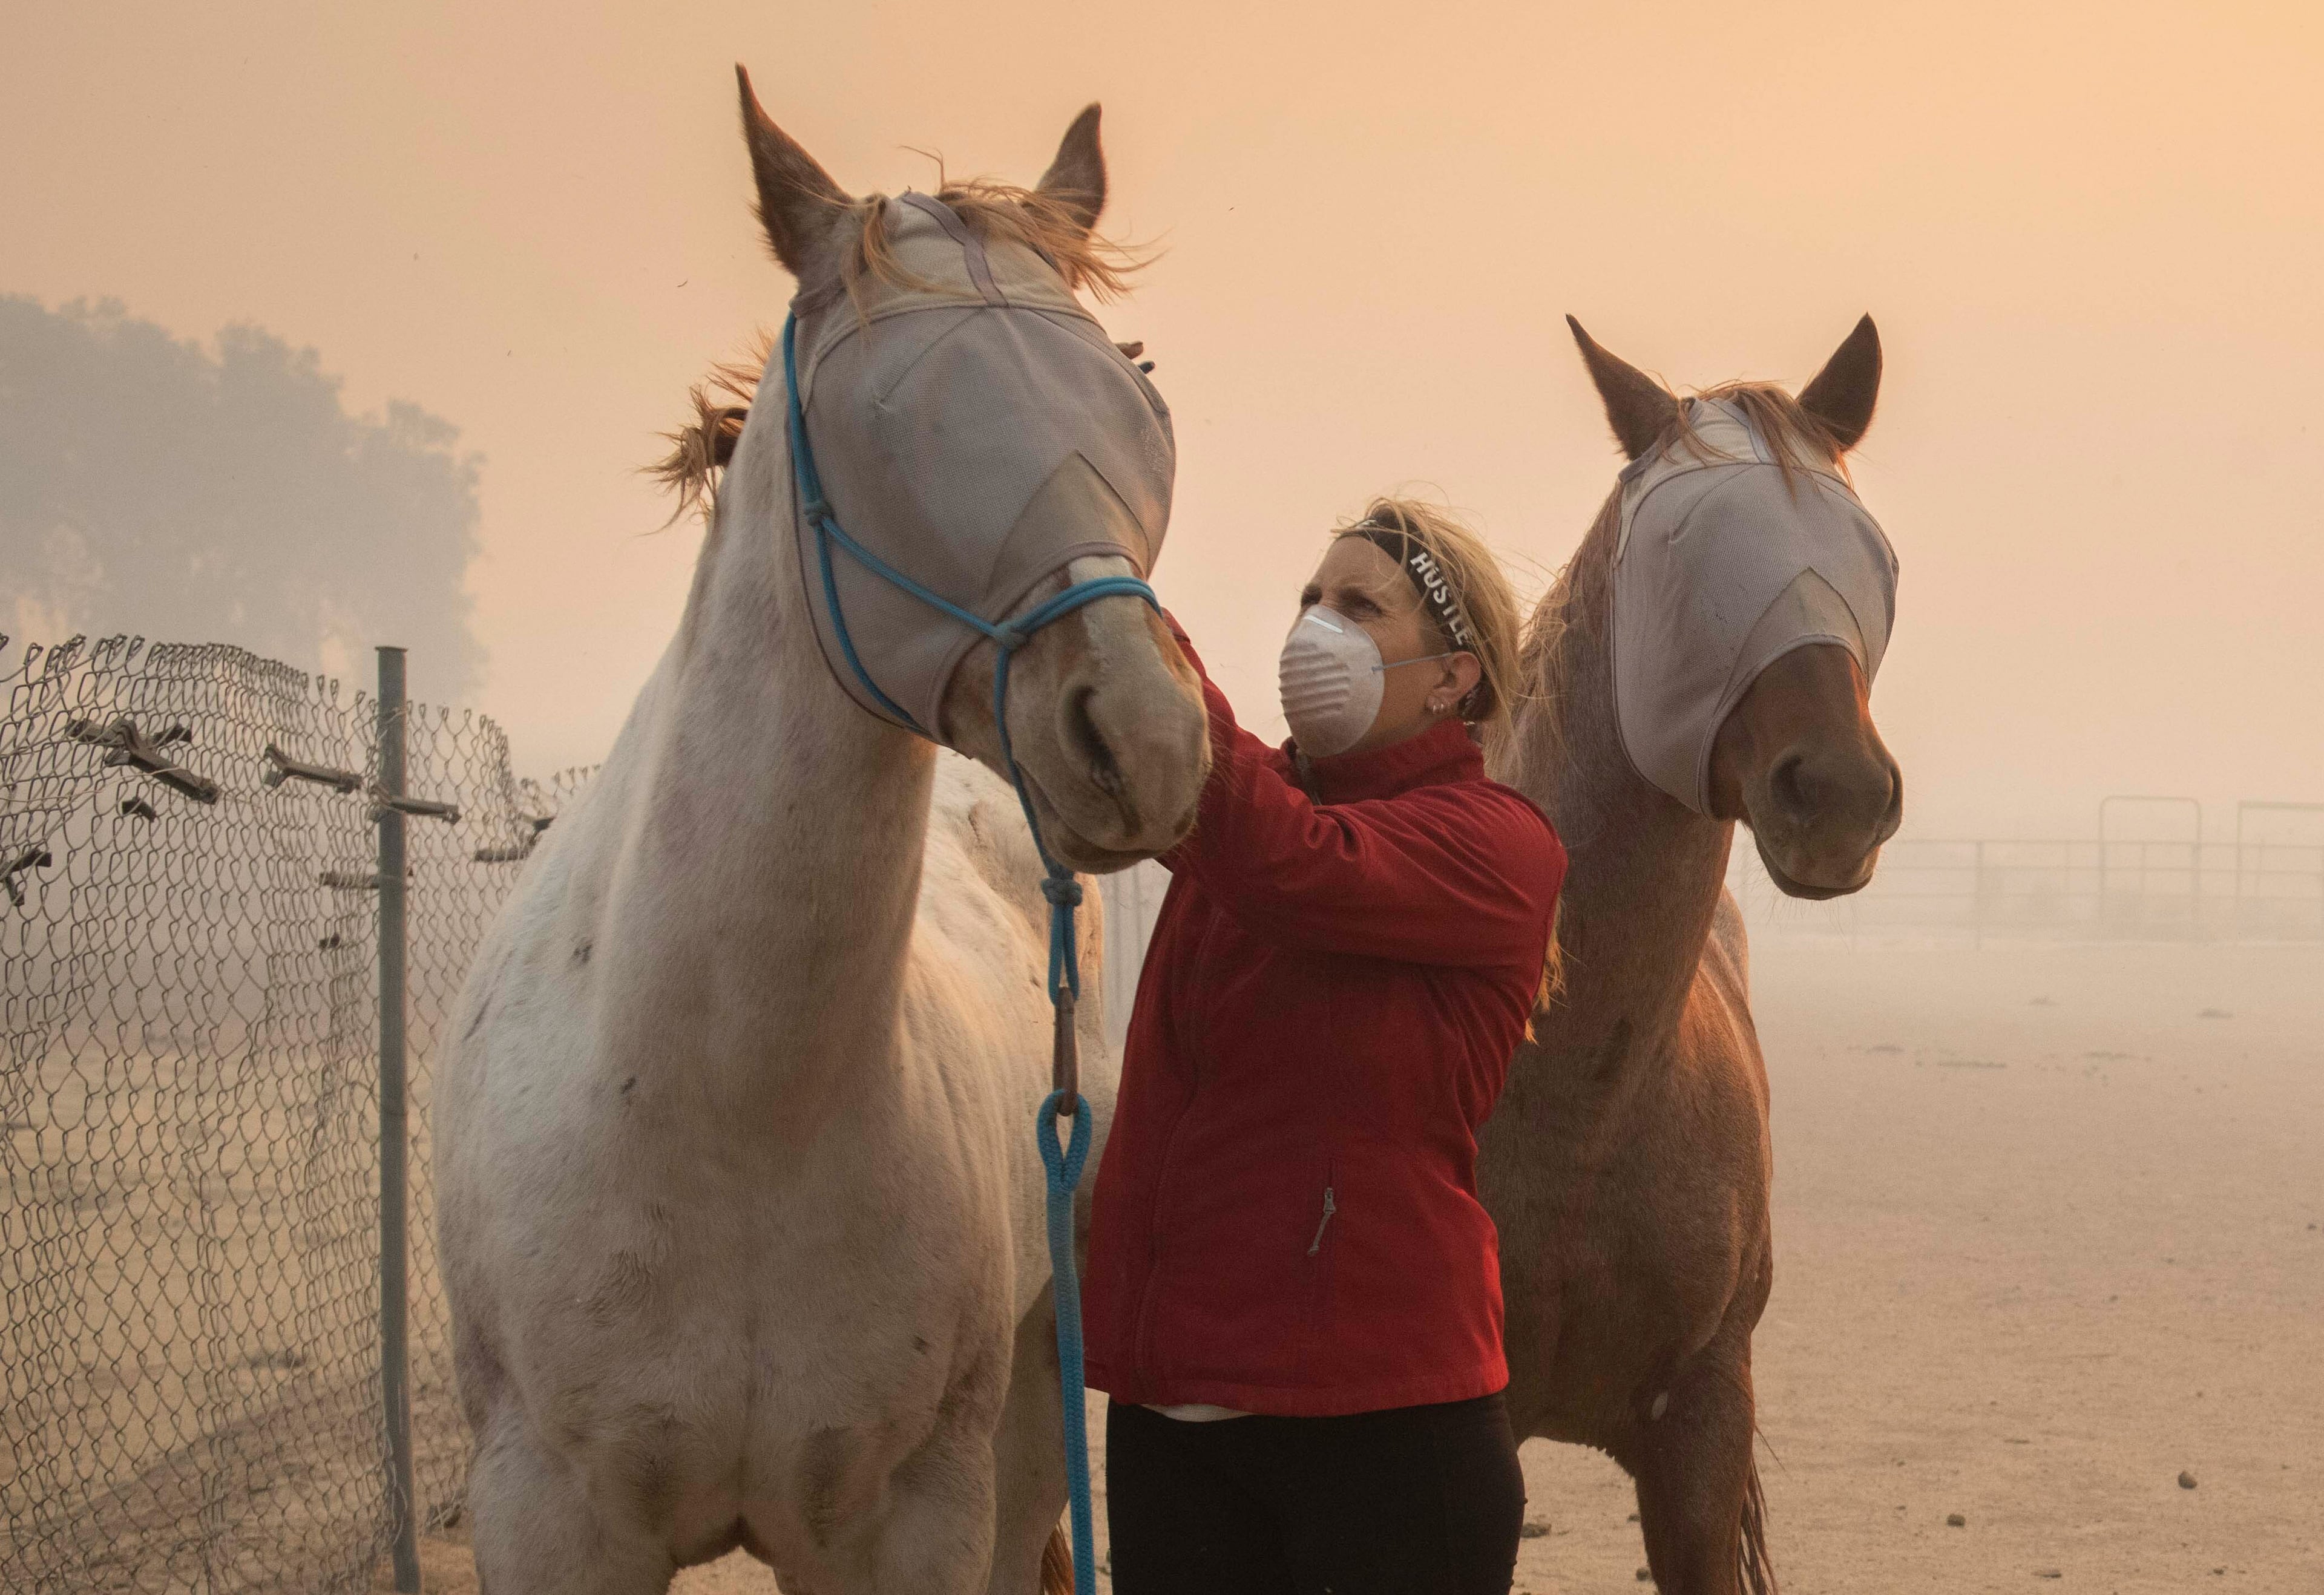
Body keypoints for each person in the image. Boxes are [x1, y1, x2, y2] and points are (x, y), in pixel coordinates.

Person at [1083, 499, 1569, 1595]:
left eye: (1360, 605)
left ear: (1454, 677)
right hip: (1176, 1413)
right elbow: (1174, 795)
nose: (1317, 625)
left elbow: (1294, 861)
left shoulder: (1497, 842)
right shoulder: (1250, 808)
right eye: (1312, 598)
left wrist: (1123, 614)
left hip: (1386, 1430)